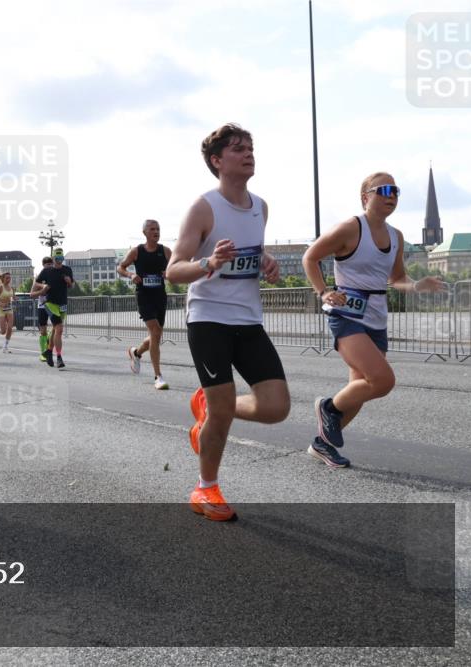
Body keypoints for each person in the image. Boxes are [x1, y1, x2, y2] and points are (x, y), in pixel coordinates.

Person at [165, 123, 289, 522]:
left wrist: (265, 263)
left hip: (248, 321)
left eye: (250, 147)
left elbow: (250, 255)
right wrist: (208, 263)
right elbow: (174, 269)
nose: (248, 153)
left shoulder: (260, 206)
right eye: (237, 149)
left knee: (276, 407)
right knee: (221, 413)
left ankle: (208, 405)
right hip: (209, 321)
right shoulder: (204, 207)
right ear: (217, 161)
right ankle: (205, 489)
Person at [302, 173, 446, 467]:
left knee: (359, 386)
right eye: (384, 190)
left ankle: (323, 444)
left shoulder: (396, 236)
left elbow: (396, 279)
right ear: (365, 196)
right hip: (347, 315)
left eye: (396, 191)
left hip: (377, 318)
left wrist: (417, 285)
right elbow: (310, 257)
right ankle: (328, 407)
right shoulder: (350, 227)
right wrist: (324, 291)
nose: (391, 196)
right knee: (381, 380)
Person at [119, 219, 171, 389]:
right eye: (152, 229)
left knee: (156, 336)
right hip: (144, 296)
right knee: (155, 331)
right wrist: (130, 275)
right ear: (145, 233)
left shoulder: (166, 251)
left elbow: (177, 267)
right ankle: (158, 376)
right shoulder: (137, 251)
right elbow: (120, 267)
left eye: (158, 229)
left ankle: (136, 352)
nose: (156, 232)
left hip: (160, 296)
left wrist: (169, 272)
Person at [31, 248, 74, 368]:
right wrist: (43, 285)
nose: (59, 261)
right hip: (50, 303)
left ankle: (49, 351)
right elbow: (35, 284)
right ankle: (59, 357)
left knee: (56, 330)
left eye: (61, 259)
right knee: (59, 328)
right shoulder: (47, 271)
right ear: (53, 258)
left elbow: (71, 286)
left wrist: (69, 282)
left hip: (63, 303)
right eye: (57, 259)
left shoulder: (67, 269)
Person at [0, 272, 15, 353]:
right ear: (3, 279)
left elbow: (13, 297)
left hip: (9, 309)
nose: (9, 279)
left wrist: (15, 298)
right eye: (7, 278)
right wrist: (0, 304)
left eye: (10, 278)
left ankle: (5, 346)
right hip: (1, 310)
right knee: (3, 331)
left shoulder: (11, 288)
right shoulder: (0, 287)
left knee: (10, 328)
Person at [35, 256, 54, 361]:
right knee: (43, 331)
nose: (49, 266)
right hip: (42, 306)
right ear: (43, 265)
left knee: (55, 327)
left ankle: (49, 344)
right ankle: (43, 353)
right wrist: (42, 289)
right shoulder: (39, 277)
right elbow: (32, 292)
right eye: (47, 265)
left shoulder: (54, 275)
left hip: (53, 305)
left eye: (51, 264)